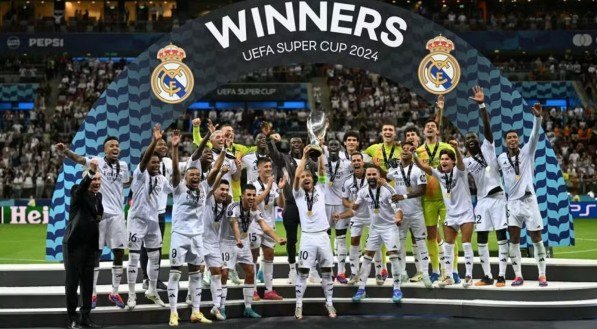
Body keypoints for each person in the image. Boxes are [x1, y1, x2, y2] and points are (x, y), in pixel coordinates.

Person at [57, 136, 130, 309]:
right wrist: (66, 151)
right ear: (105, 150)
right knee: (95, 253)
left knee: (119, 252)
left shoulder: (124, 166)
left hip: (118, 215)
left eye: (117, 145)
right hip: (99, 215)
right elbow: (79, 159)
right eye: (111, 145)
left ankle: (114, 292)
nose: (115, 147)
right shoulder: (96, 161)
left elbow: (125, 183)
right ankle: (93, 293)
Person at [334, 164, 405, 303]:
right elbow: (355, 210)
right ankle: (361, 289)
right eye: (369, 175)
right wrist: (341, 216)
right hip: (375, 228)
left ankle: (397, 288)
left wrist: (398, 218)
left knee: (393, 256)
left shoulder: (387, 190)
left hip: (390, 227)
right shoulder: (362, 192)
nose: (371, 177)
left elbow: (398, 208)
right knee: (367, 257)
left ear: (379, 176)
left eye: (374, 174)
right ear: (366, 177)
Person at [497, 102, 548, 287]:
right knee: (514, 240)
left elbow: (534, 135)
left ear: (518, 140)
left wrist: (538, 117)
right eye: (509, 138)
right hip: (512, 204)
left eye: (514, 137)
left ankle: (542, 275)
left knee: (536, 238)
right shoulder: (501, 158)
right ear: (505, 141)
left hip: (529, 201)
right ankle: (518, 275)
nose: (512, 140)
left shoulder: (527, 152)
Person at [166, 130, 213, 326]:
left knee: (197, 275)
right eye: (191, 174)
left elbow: (215, 170)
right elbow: (176, 170)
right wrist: (175, 147)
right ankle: (174, 312)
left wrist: (209, 137)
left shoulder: (203, 187)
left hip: (197, 237)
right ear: (185, 177)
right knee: (175, 274)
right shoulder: (179, 187)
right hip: (180, 236)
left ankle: (195, 311)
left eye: (197, 174)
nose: (194, 177)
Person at [463, 86, 509, 287]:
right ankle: (487, 276)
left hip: (498, 197)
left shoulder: (487, 147)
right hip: (481, 201)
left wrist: (482, 105)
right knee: (480, 238)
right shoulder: (465, 162)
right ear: (465, 145)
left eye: (473, 138)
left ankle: (501, 276)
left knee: (500, 235)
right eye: (468, 140)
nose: (471, 140)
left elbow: (487, 126)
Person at [413, 141, 475, 287]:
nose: (444, 161)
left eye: (447, 159)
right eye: (442, 159)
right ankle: (448, 277)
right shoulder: (438, 173)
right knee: (448, 246)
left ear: (452, 161)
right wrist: (414, 154)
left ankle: (469, 276)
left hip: (465, 213)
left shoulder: (460, 171)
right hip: (451, 214)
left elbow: (460, 163)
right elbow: (422, 166)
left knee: (466, 244)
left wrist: (456, 149)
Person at [221, 184, 286, 318]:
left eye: (253, 195)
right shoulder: (233, 207)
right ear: (242, 196)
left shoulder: (254, 209)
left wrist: (277, 238)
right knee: (224, 274)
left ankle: (248, 308)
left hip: (243, 243)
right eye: (248, 195)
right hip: (228, 243)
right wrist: (238, 239)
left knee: (250, 272)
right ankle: (220, 307)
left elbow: (264, 226)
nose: (251, 197)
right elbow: (234, 224)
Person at [126, 124, 173, 309]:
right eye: (152, 162)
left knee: (155, 257)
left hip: (154, 222)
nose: (155, 165)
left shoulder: (161, 179)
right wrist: (154, 141)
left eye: (157, 163)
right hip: (136, 221)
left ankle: (152, 290)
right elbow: (145, 160)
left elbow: (175, 188)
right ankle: (131, 295)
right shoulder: (140, 175)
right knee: (134, 258)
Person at [416, 96, 457, 283]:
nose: (430, 128)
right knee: (431, 235)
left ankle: (453, 270)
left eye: (433, 126)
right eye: (427, 126)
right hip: (427, 199)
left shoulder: (447, 147)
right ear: (423, 131)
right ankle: (434, 270)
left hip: (446, 198)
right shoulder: (418, 152)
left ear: (437, 130)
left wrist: (439, 109)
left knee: (449, 236)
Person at [293, 146, 336, 320]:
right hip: (307, 238)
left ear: (313, 179)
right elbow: (296, 175)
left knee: (326, 271)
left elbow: (322, 169)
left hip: (323, 236)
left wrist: (320, 153)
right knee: (302, 272)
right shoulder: (297, 194)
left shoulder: (321, 188)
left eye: (308, 176)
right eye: (303, 177)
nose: (305, 178)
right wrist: (304, 157)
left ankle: (330, 303)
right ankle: (298, 305)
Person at [267, 134, 317, 284]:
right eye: (293, 142)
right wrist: (271, 141)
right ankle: (292, 269)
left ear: (303, 145)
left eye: (298, 141)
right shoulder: (283, 159)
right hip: (291, 204)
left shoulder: (310, 161)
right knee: (291, 239)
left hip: (308, 204)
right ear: (289, 145)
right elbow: (273, 153)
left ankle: (312, 269)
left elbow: (318, 178)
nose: (296, 143)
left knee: (310, 237)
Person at [63, 160, 102, 329]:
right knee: (72, 284)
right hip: (74, 245)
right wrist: (90, 174)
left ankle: (85, 317)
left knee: (87, 284)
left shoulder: (98, 196)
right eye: (94, 179)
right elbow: (80, 191)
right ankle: (72, 318)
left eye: (99, 180)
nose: (97, 183)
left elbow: (97, 215)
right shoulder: (76, 192)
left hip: (90, 246)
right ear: (86, 178)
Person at [387, 141, 432, 288]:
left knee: (420, 242)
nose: (405, 151)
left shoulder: (418, 170)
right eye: (403, 149)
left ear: (412, 153)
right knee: (400, 243)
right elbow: (385, 178)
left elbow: (422, 190)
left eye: (408, 149)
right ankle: (402, 272)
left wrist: (404, 197)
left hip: (416, 213)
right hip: (400, 213)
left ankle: (425, 274)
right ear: (400, 154)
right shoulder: (395, 170)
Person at [199, 143, 231, 321]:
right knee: (198, 271)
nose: (224, 192)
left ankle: (216, 307)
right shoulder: (208, 198)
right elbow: (212, 182)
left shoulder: (224, 204)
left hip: (214, 244)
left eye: (226, 190)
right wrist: (221, 174)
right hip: (201, 240)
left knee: (217, 273)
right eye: (222, 189)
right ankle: (191, 298)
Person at [341, 153, 382, 285]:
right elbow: (344, 200)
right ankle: (354, 273)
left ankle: (379, 273)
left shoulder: (372, 177)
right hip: (357, 216)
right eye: (354, 161)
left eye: (359, 160)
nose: (356, 162)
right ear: (351, 164)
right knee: (354, 242)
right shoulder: (347, 181)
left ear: (363, 162)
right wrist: (350, 205)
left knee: (375, 243)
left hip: (372, 215)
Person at [251, 157, 286, 300]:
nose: (268, 169)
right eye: (265, 166)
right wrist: (267, 188)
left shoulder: (274, 185)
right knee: (252, 258)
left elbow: (281, 205)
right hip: (254, 224)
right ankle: (252, 290)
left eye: (269, 166)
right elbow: (253, 203)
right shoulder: (252, 184)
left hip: (270, 224)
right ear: (258, 169)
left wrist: (281, 191)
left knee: (269, 256)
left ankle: (268, 290)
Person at [140, 136, 171, 291]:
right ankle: (145, 278)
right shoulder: (145, 165)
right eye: (160, 144)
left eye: (165, 144)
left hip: (160, 212)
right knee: (144, 247)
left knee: (157, 248)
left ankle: (155, 278)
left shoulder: (169, 163)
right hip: (145, 213)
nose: (164, 146)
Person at [322, 139, 353, 283]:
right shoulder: (322, 162)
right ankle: (328, 270)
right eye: (331, 145)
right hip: (325, 204)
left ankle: (341, 272)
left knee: (341, 239)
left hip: (342, 204)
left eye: (336, 145)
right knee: (326, 239)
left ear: (340, 148)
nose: (333, 147)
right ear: (328, 148)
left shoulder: (347, 164)